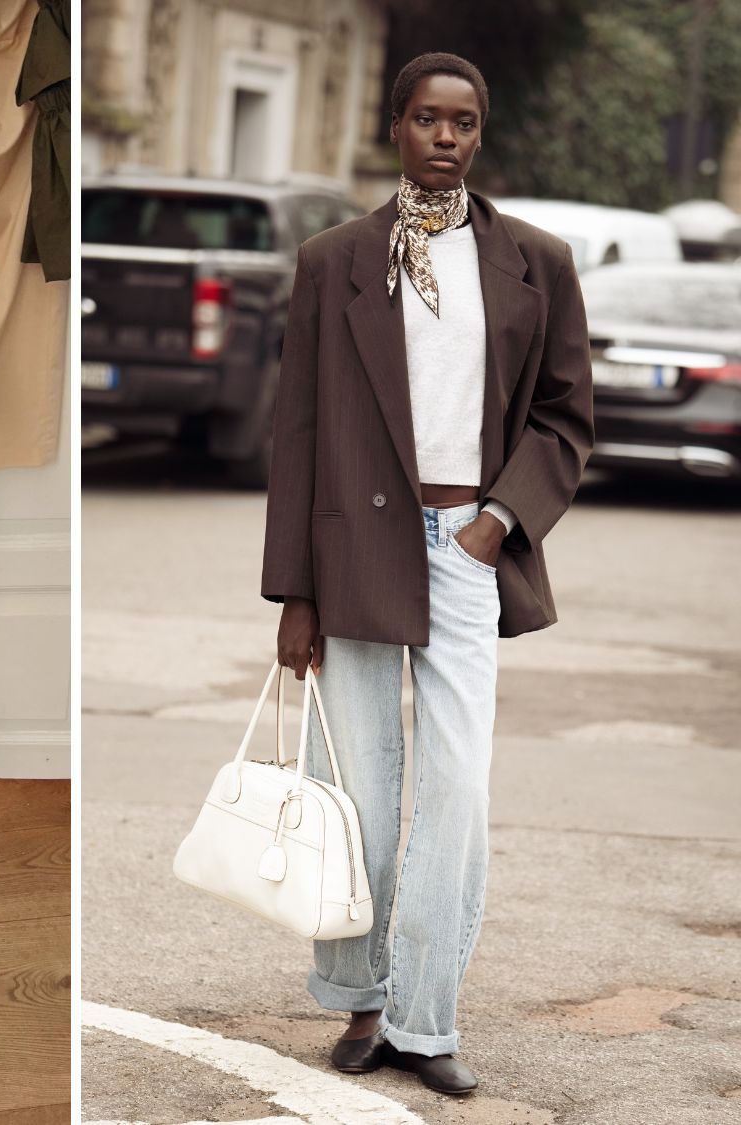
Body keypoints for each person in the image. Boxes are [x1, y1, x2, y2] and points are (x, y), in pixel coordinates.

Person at [261, 52, 594, 1097]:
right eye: (423, 119)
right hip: (353, 545)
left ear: (477, 135)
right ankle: (361, 997)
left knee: (454, 788)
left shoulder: (536, 262)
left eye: (461, 123)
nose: (443, 137)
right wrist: (293, 593)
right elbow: (299, 431)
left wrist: (497, 523)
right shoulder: (332, 260)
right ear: (393, 128)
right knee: (361, 788)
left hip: (464, 546)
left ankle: (423, 1015)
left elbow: (563, 414)